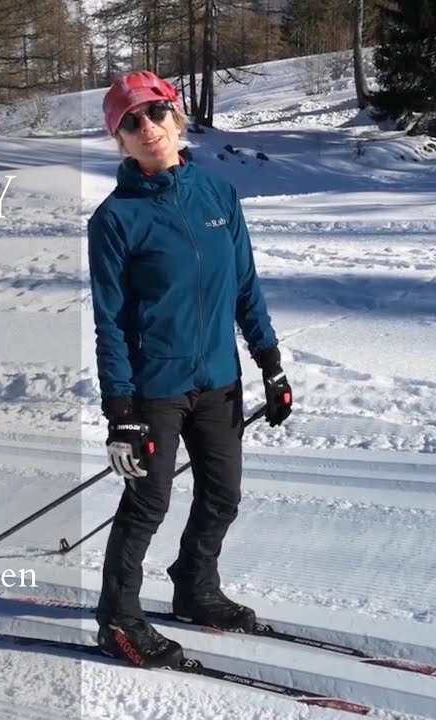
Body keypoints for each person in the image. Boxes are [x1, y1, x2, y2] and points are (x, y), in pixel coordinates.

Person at [86, 70, 293, 669]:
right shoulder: (115, 219)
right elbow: (110, 321)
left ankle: (195, 588)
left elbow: (245, 285)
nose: (147, 128)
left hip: (219, 378)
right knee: (146, 505)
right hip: (155, 388)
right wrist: (120, 412)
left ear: (175, 117)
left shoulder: (218, 195)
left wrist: (270, 362)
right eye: (131, 122)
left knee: (223, 495)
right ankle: (118, 619)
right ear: (120, 139)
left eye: (155, 113)